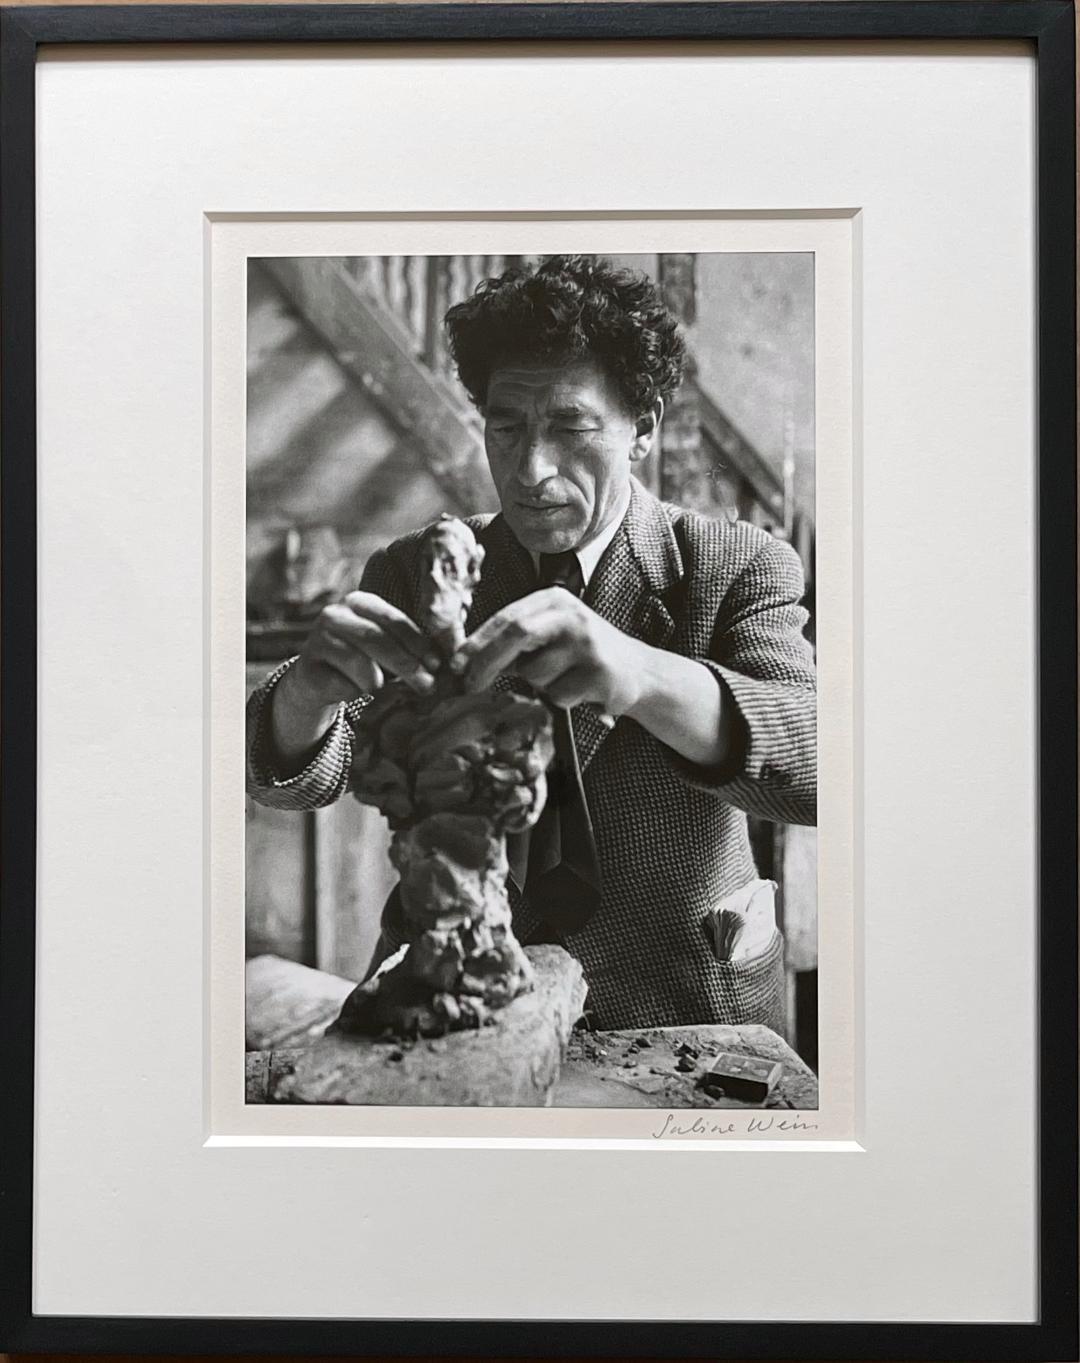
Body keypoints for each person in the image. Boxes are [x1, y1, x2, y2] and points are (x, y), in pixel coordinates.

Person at [246, 255, 816, 1032]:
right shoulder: (418, 569)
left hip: (678, 1002)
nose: (532, 469)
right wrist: (304, 699)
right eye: (506, 428)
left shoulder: (737, 564)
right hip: (455, 996)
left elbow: (818, 774)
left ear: (642, 426)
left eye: (571, 427)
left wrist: (643, 673)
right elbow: (299, 780)